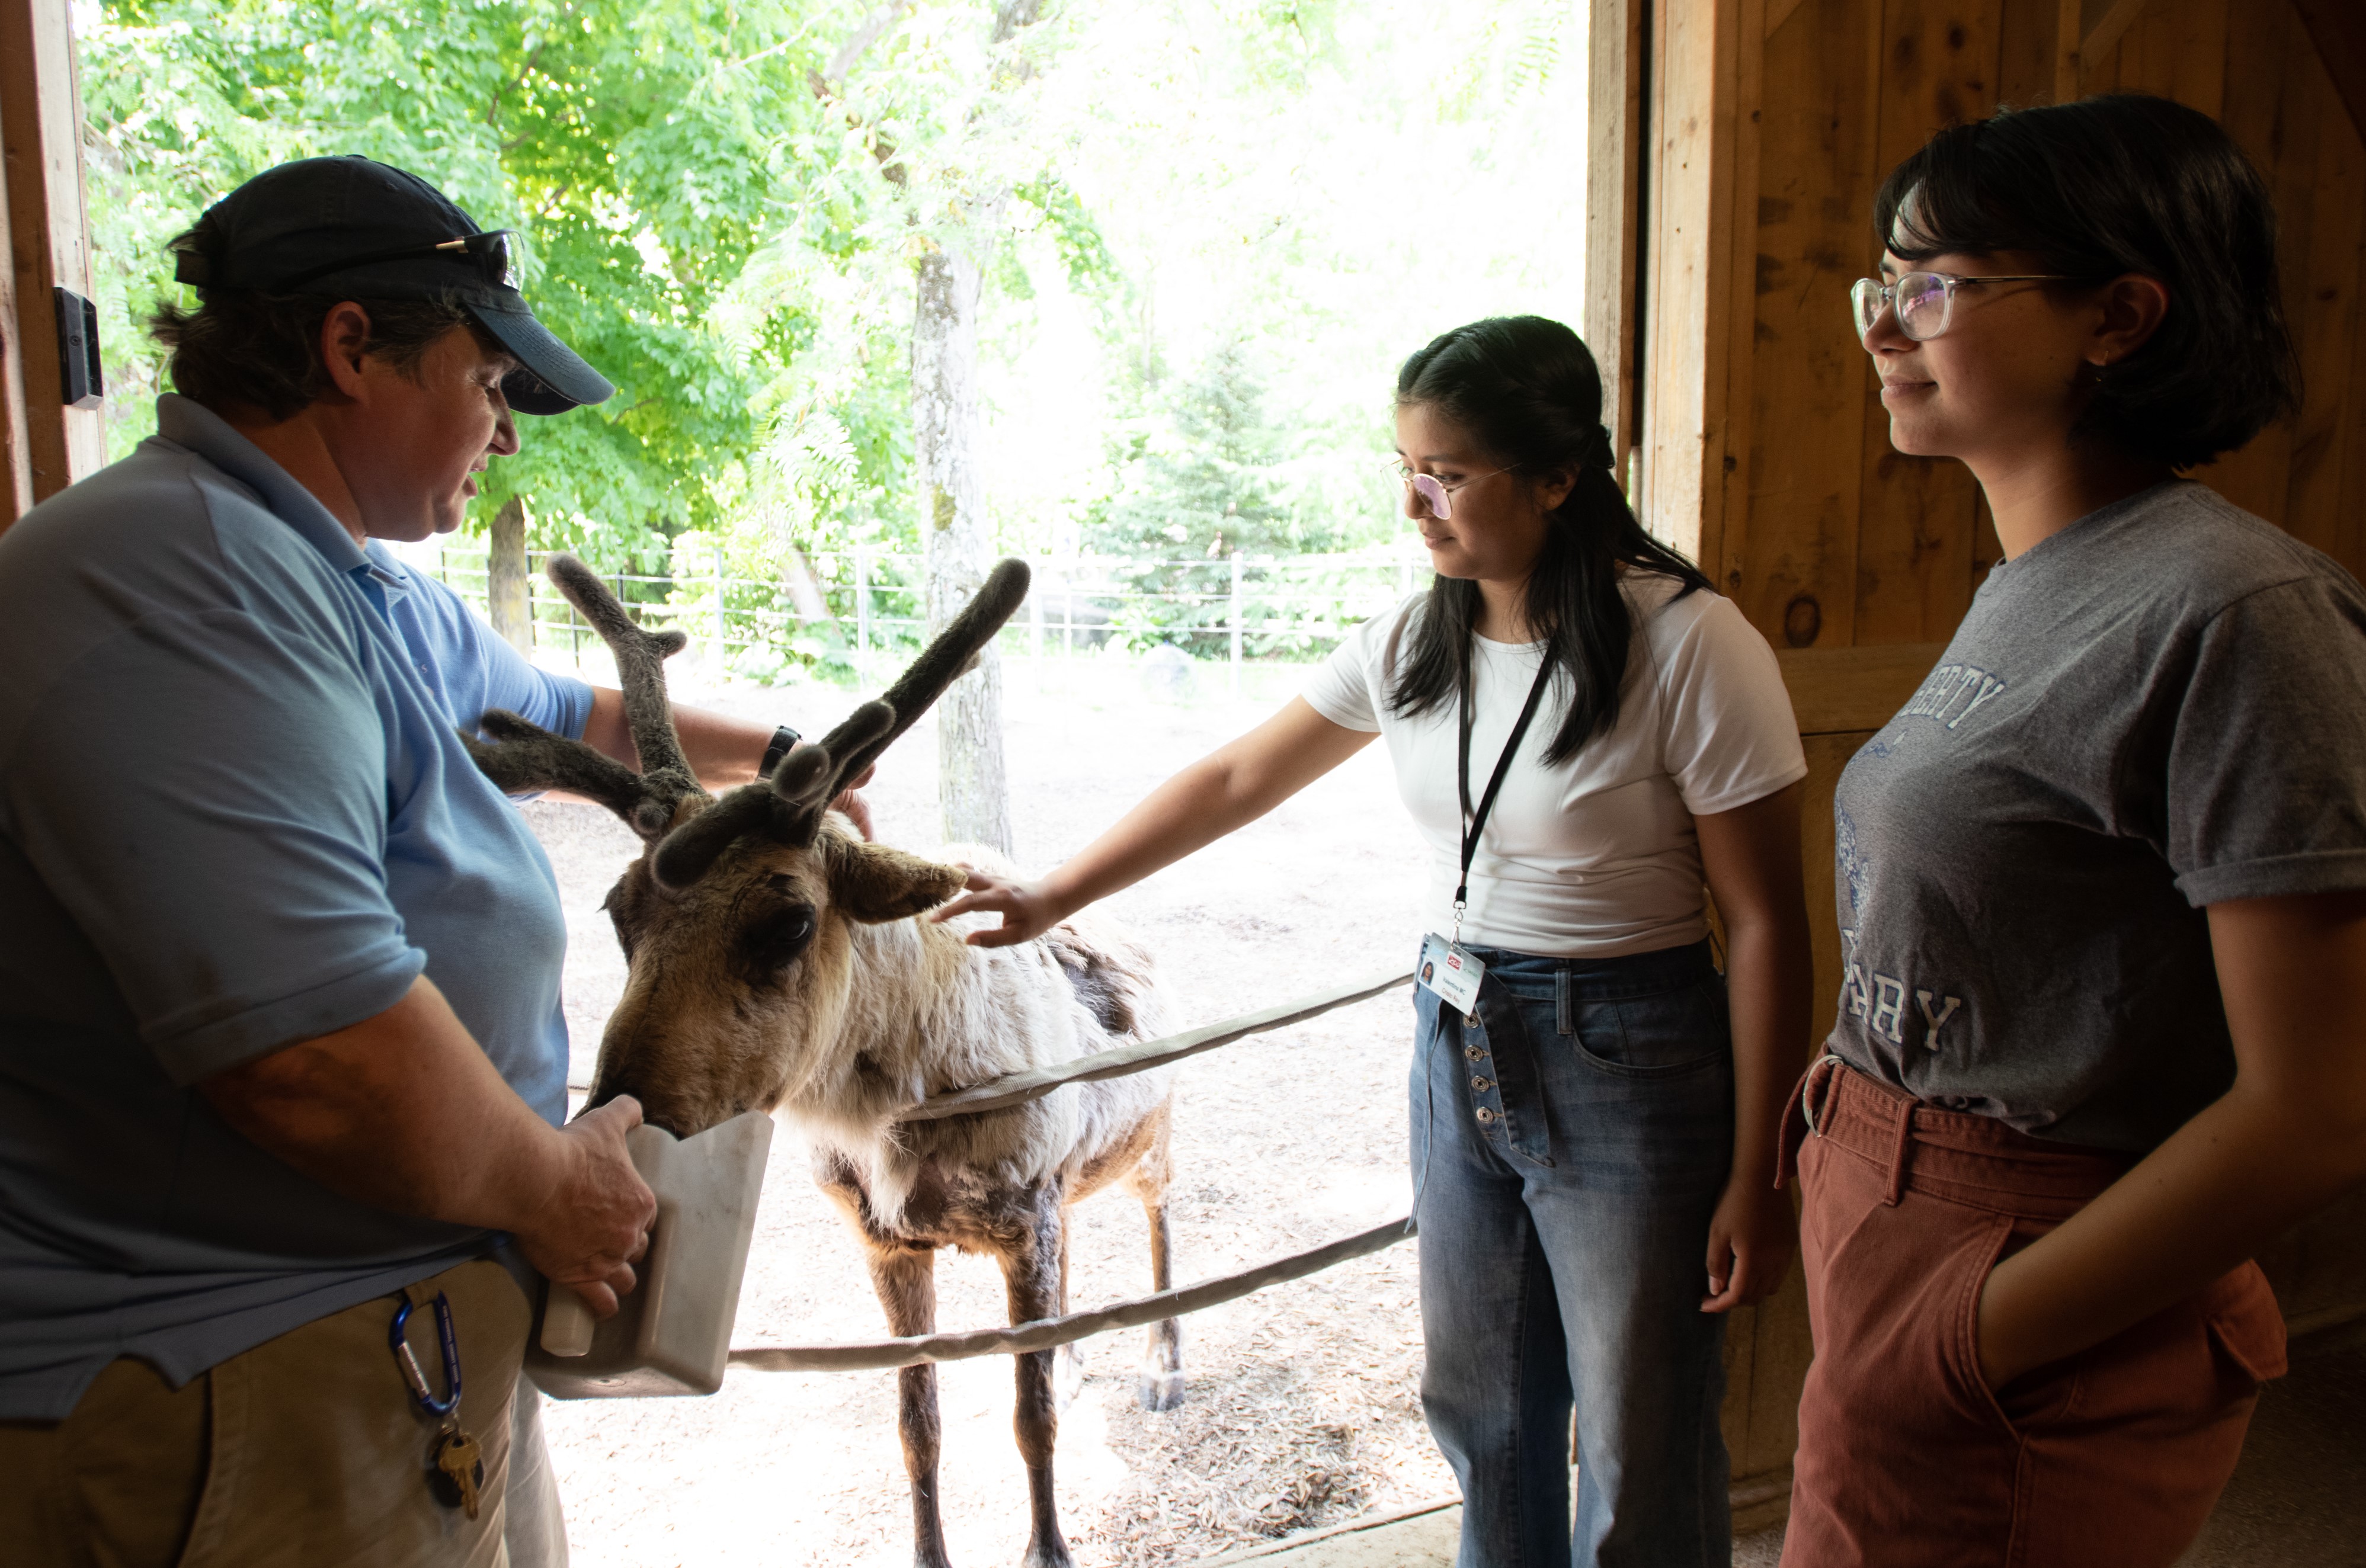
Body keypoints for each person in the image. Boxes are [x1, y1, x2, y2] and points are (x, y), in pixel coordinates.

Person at [937, 316, 1814, 1567]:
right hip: (1454, 1030)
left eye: (1448, 473)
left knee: (1637, 1425)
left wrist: (1757, 1170)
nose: (1413, 501)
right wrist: (1051, 894)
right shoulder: (1421, 634)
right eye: (1403, 463)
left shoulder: (1687, 643)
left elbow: (1768, 921)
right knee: (1481, 1402)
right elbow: (1240, 774)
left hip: (1630, 1046)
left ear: (1558, 476)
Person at [0, 155, 663, 1567]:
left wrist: (804, 759)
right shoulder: (177, 575)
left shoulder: (338, 580)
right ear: (351, 346)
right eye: (488, 384)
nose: (506, 433)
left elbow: (568, 708)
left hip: (383, 1358)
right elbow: (310, 1049)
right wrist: (559, 1192)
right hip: (235, 1404)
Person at [1781, 94, 2366, 1567]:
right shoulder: (2037, 577)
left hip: (2026, 1267)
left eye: (1932, 287)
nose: (1880, 330)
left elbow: (2320, 1105)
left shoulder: (2237, 611)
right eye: (1881, 286)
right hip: (1896, 1216)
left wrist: (1964, 1337)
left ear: (2117, 316)